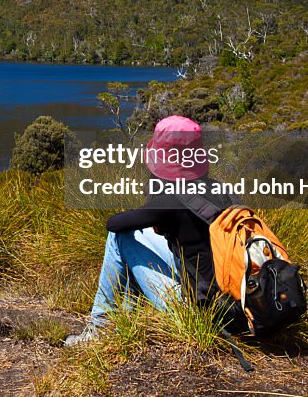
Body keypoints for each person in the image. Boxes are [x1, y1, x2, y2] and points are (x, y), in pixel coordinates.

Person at [65, 115, 246, 346]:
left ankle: (99, 328)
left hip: (197, 313)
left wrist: (150, 207)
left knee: (119, 237)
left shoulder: (170, 200)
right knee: (141, 235)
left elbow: (114, 223)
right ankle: (128, 312)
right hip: (232, 303)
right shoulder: (222, 191)